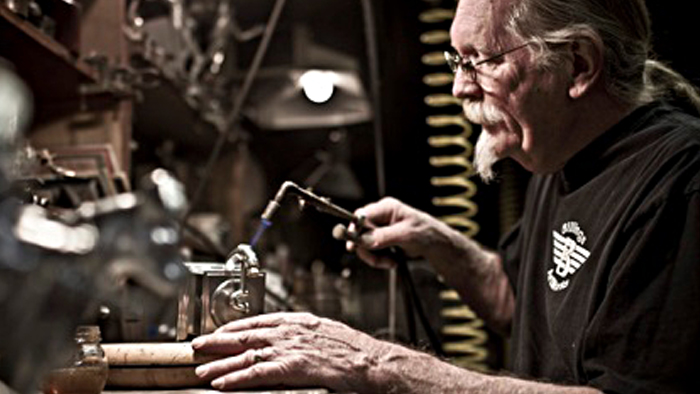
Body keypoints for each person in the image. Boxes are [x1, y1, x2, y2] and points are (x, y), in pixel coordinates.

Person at [191, 0, 700, 392]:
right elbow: (520, 302)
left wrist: (376, 364)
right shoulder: (558, 151)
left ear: (579, 65)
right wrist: (438, 243)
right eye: (456, 59)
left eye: (480, 61)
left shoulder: (678, 183)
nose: (460, 87)